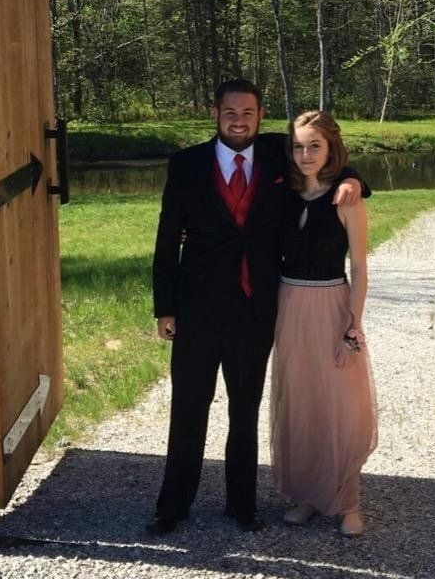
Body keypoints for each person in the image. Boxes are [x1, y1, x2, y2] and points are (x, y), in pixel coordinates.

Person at [148, 79, 366, 536]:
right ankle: (173, 504)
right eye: (230, 112)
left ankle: (241, 505)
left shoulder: (275, 154)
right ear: (216, 113)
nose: (239, 120)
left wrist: (353, 180)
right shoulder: (186, 164)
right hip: (197, 308)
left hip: (257, 309)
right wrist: (164, 307)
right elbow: (168, 238)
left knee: (244, 409)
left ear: (260, 115)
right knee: (189, 406)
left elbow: (328, 158)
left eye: (248, 112)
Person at [270, 110, 377, 537]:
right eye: (298, 146)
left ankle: (347, 500)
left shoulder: (347, 198)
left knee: (340, 406)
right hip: (289, 303)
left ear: (331, 148)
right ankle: (309, 494)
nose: (306, 153)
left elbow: (361, 268)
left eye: (315, 145)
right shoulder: (284, 194)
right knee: (301, 401)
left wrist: (353, 327)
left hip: (331, 303)